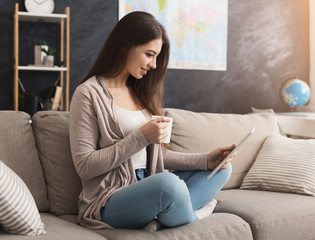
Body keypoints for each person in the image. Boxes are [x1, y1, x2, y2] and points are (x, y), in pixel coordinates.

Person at [69, 11, 235, 230]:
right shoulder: (88, 93)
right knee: (168, 184)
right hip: (110, 200)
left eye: (156, 56)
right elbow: (85, 166)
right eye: (149, 54)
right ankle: (194, 215)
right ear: (125, 45)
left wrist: (206, 160)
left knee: (222, 169)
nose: (154, 64)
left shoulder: (140, 92)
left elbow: (157, 155)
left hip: (149, 185)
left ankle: (162, 217)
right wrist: (141, 137)